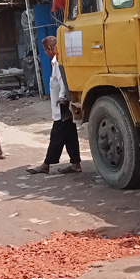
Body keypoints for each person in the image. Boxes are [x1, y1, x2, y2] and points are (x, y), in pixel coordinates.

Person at [27, 36, 82, 175]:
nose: (45, 52)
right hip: (61, 105)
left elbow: (63, 81)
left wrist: (63, 97)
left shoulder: (57, 62)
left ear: (50, 48)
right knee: (70, 135)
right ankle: (75, 163)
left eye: (45, 50)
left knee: (56, 136)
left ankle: (45, 165)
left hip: (62, 106)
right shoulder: (56, 61)